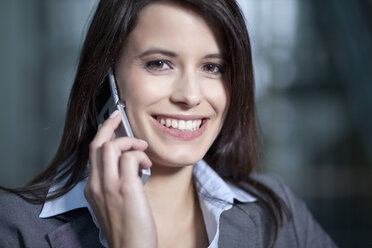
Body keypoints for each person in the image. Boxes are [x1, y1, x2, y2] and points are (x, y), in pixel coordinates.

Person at [0, 0, 337, 247]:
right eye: (160, 63)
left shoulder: (278, 214)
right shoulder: (14, 228)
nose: (190, 96)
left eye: (212, 67)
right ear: (107, 81)